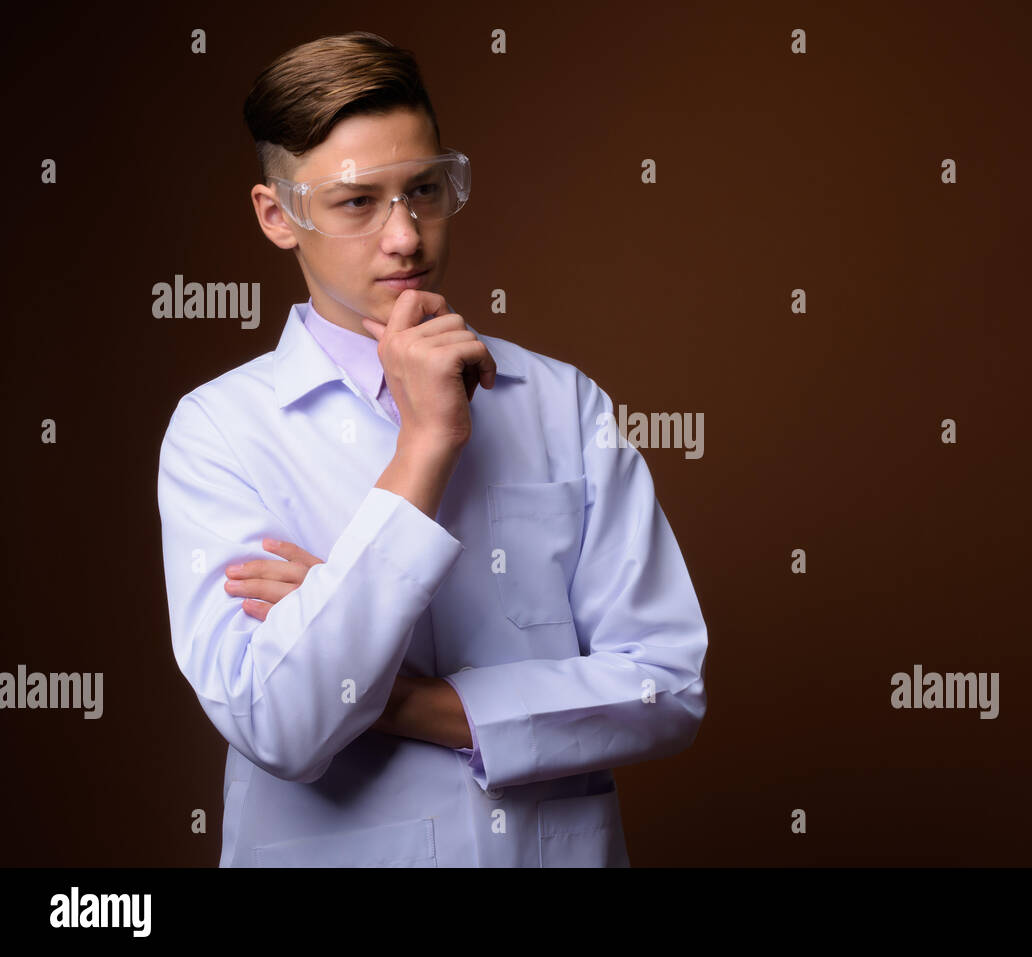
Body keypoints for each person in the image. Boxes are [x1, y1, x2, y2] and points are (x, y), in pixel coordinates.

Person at [156, 31, 708, 867]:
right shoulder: (219, 431)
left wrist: (393, 694)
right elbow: (281, 726)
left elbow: (667, 685)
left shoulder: (564, 402)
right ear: (278, 217)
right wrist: (426, 443)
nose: (406, 236)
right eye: (356, 203)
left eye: (424, 189)